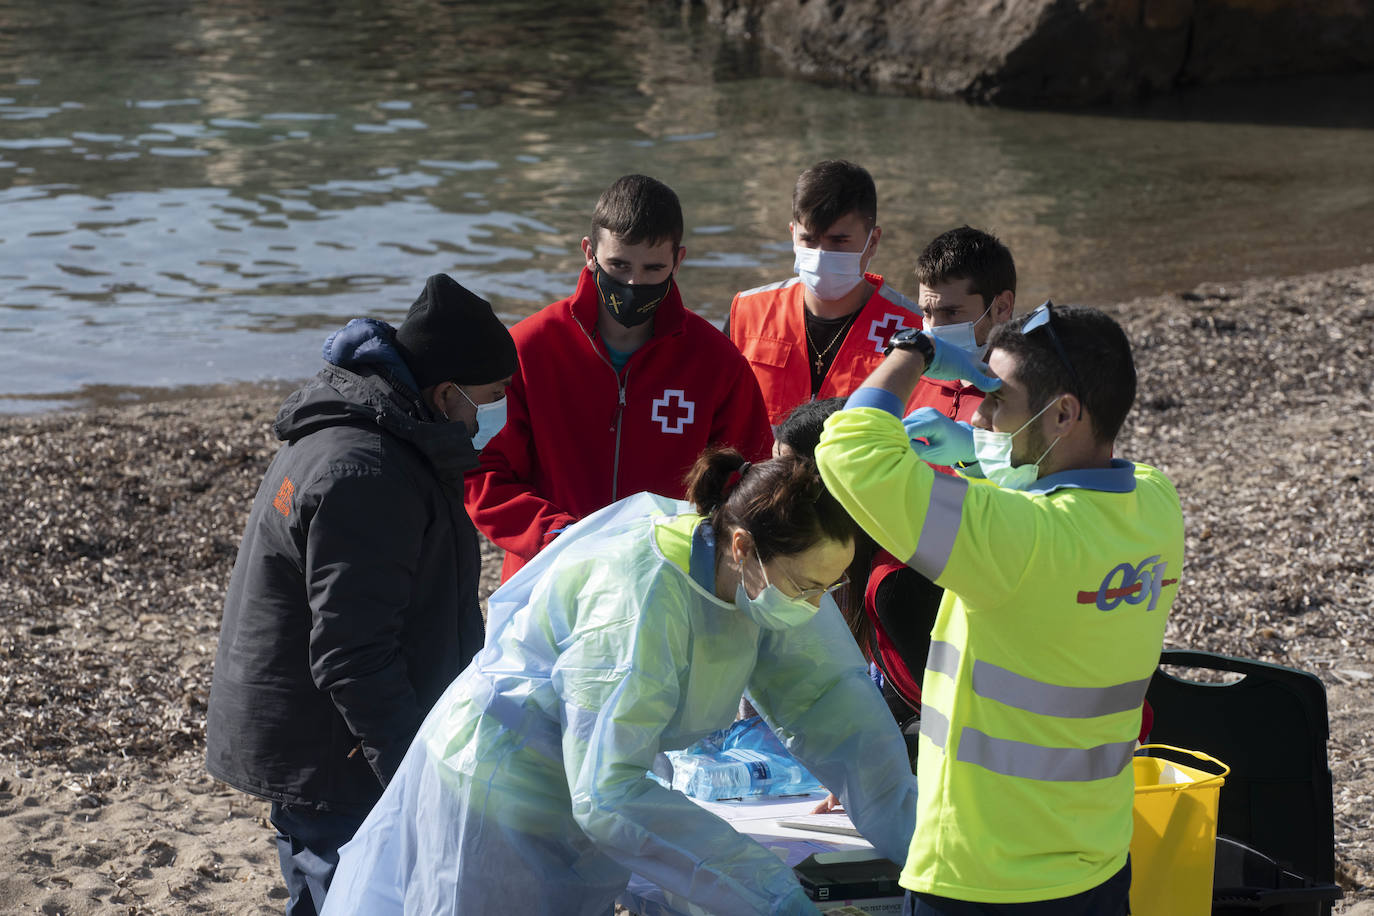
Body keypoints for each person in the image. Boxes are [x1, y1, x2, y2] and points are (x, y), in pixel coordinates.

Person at [322, 450, 919, 916]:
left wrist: (918, 843)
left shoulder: (758, 569)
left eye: (828, 589)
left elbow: (829, 703)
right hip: (497, 791)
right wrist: (769, 892)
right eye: (807, 587)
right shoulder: (637, 600)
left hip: (577, 787)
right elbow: (607, 793)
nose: (816, 607)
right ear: (742, 546)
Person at [816, 302, 1184, 913]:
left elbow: (850, 452)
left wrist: (917, 349)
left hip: (982, 879)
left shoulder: (1019, 539)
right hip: (1095, 861)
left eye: (996, 398)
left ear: (1063, 412)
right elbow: (1078, 491)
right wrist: (974, 457)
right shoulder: (1154, 506)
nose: (981, 413)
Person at [205, 274, 516, 916]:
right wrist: (413, 768)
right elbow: (352, 655)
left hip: (327, 735)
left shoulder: (385, 439)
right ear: (443, 392)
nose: (493, 415)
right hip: (331, 749)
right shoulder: (369, 470)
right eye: (489, 398)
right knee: (347, 891)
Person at [466, 174, 773, 581]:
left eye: (653, 268)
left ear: (678, 261)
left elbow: (749, 477)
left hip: (668, 579)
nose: (633, 283)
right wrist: (559, 535)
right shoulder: (527, 349)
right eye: (619, 265)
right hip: (548, 572)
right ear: (589, 253)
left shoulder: (716, 361)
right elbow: (484, 471)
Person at [728, 159, 920, 428]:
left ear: (873, 241)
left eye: (839, 241)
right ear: (793, 234)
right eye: (809, 239)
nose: (821, 255)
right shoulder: (748, 313)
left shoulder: (913, 332)